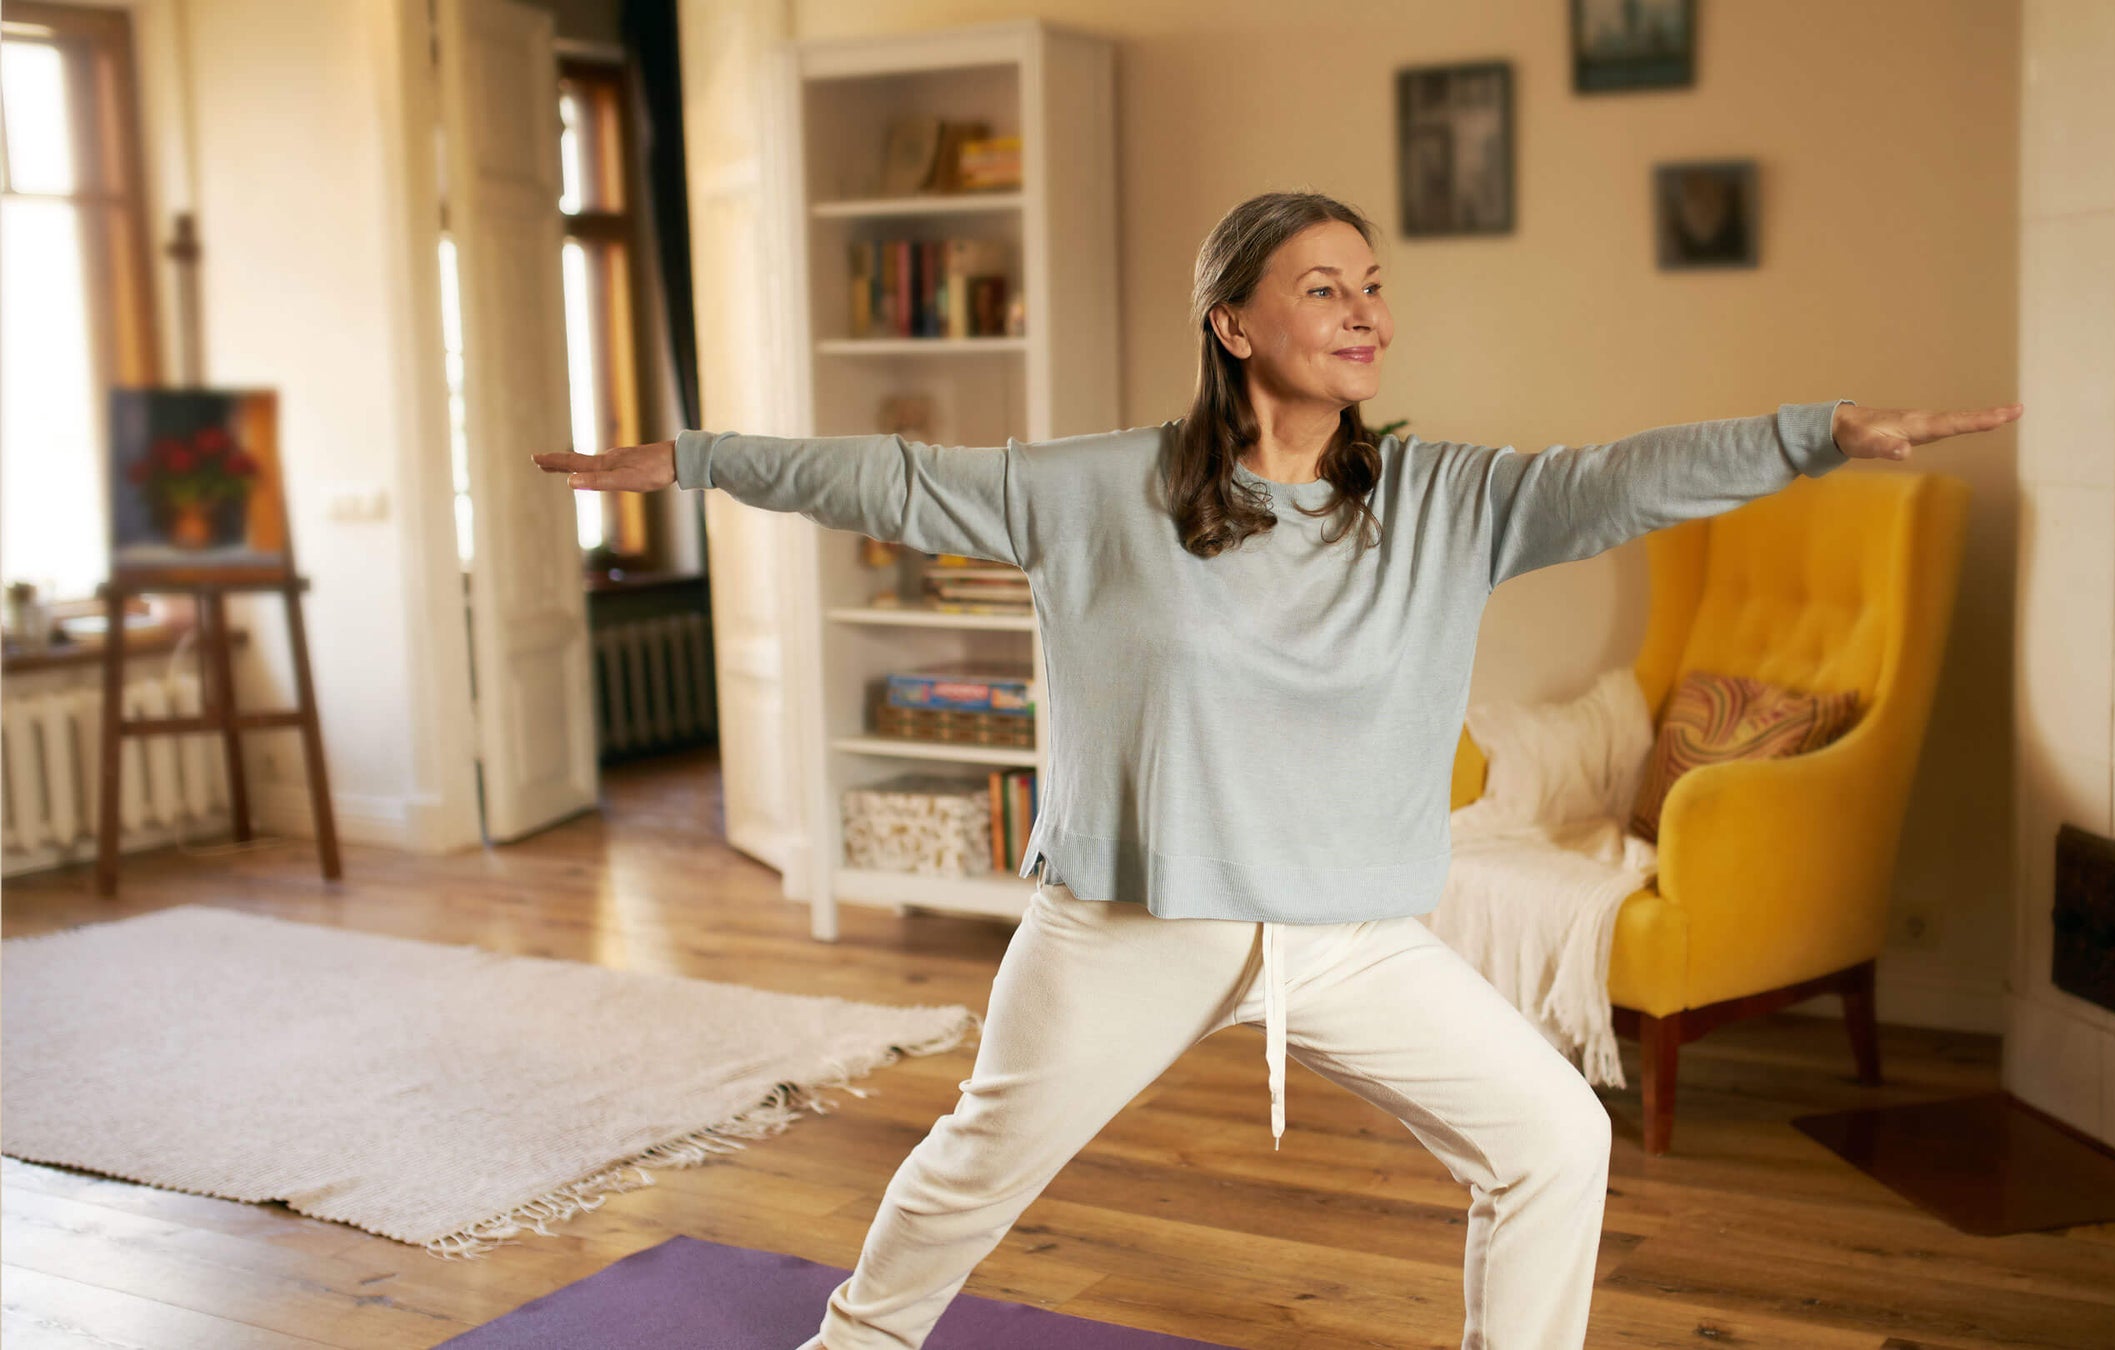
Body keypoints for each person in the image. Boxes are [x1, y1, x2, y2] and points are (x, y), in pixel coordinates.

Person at [536, 190, 2022, 1350]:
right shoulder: (1103, 491)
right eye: (1324, 285)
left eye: (1374, 285)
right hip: (1134, 918)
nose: (1364, 310)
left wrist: (1814, 436)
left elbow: (1621, 477)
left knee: (1557, 1136)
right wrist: (693, 457)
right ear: (1233, 324)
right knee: (981, 1159)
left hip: (1350, 933)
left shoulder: (1450, 500)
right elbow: (896, 480)